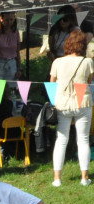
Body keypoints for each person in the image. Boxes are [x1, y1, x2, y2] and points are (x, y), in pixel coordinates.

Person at [49, 31, 93, 187]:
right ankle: (84, 177)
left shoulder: (57, 62)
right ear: (83, 45)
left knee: (61, 140)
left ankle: (57, 179)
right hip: (83, 103)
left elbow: (52, 83)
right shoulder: (87, 62)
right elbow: (89, 81)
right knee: (83, 140)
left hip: (62, 104)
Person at [0, 13, 22, 81]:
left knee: (11, 87)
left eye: (11, 19)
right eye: (7, 20)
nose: (9, 22)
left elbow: (17, 52)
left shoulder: (16, 32)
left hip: (12, 63)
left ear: (14, 19)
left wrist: (19, 68)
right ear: (1, 19)